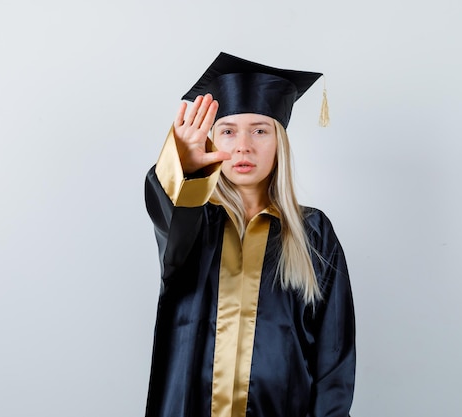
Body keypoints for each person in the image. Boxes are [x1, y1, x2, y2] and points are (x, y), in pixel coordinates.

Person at [144, 52, 355, 417]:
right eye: (227, 131)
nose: (243, 146)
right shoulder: (194, 223)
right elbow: (168, 217)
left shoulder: (313, 233)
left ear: (280, 143)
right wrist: (185, 169)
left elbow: (333, 355)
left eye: (260, 130)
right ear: (210, 142)